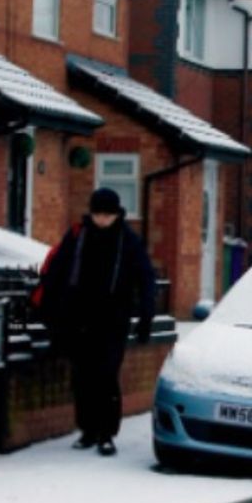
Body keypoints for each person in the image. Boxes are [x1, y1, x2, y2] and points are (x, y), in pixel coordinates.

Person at [39, 188, 156, 456]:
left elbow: (145, 277)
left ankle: (106, 433)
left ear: (117, 214)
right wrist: (51, 310)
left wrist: (146, 316)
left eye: (108, 214)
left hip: (113, 319)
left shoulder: (128, 240)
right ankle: (88, 430)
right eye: (98, 214)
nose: (103, 219)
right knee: (82, 376)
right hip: (79, 318)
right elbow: (57, 270)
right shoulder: (79, 235)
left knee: (106, 375)